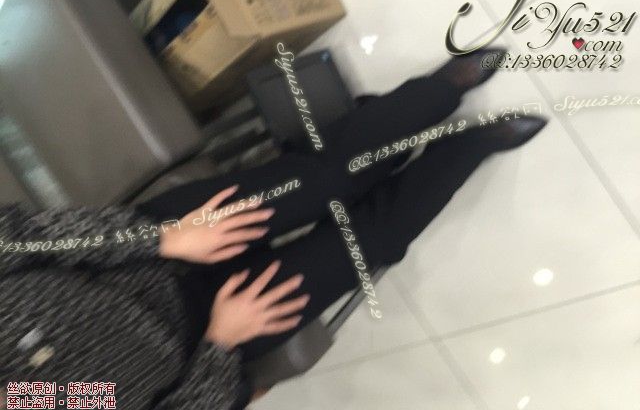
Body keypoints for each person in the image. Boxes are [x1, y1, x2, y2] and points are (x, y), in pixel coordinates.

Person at [0, 50, 546, 409]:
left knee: (327, 180)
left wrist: (163, 238)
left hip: (146, 250)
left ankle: (440, 90)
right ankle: (469, 145)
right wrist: (220, 347)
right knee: (371, 244)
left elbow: (21, 235)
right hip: (206, 335)